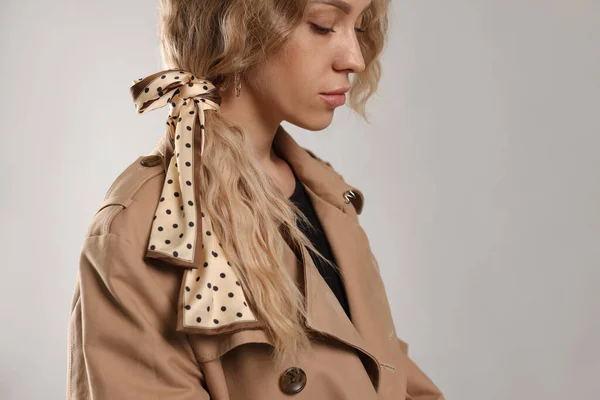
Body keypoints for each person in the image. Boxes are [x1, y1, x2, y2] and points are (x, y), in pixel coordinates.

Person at [66, 0, 445, 398]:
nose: (355, 58)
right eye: (323, 25)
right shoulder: (148, 233)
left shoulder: (327, 192)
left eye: (360, 26)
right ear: (237, 30)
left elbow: (385, 373)